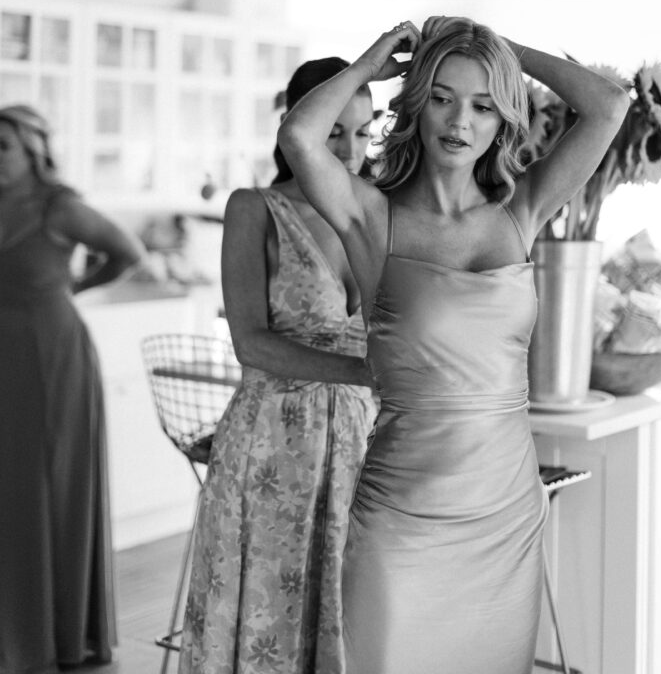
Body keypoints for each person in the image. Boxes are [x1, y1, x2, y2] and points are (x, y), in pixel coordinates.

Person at [278, 18, 629, 674]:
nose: (459, 120)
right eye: (440, 97)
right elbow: (299, 137)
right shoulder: (370, 217)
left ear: (503, 118)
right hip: (402, 519)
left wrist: (492, 47)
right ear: (415, 104)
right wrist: (370, 62)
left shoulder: (517, 214)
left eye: (482, 104)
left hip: (504, 513)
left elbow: (608, 105)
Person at [179, 58, 378, 674]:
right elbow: (252, 344)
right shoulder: (254, 209)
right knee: (266, 617)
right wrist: (368, 374)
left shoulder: (383, 210)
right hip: (270, 447)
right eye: (333, 129)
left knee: (350, 613)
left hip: (359, 445)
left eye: (363, 131)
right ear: (298, 126)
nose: (349, 149)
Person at [0, 104, 144, 674]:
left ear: (33, 150)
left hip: (51, 357)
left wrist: (75, 285)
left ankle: (58, 633)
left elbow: (128, 252)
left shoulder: (61, 207)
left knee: (47, 482)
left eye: (2, 145)